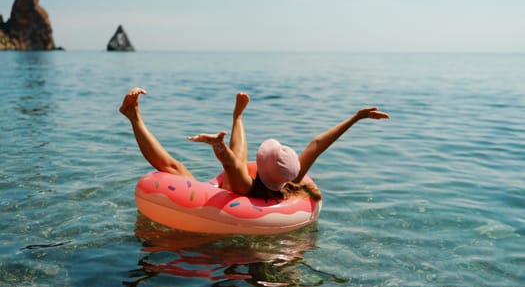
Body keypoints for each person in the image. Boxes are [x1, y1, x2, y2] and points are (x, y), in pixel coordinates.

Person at [120, 87, 389, 202]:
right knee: (235, 157)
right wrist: (356, 118)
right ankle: (237, 116)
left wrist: (217, 144)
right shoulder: (291, 180)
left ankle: (134, 118)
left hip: (224, 205)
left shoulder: (245, 185)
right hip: (251, 198)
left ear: (261, 166)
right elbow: (318, 144)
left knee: (172, 165)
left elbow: (229, 162)